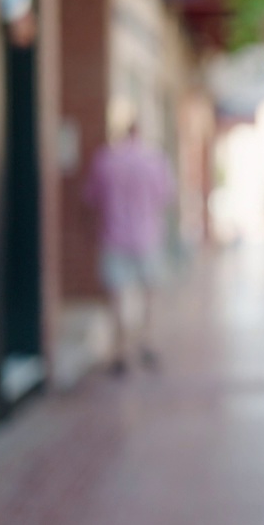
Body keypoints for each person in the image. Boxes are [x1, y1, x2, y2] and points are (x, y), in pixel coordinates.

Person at [83, 121, 175, 375]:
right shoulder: (155, 160)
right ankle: (147, 342)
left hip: (114, 236)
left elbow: (91, 197)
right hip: (147, 237)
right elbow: (166, 197)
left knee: (117, 296)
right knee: (149, 294)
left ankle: (120, 350)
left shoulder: (106, 159)